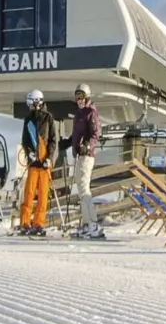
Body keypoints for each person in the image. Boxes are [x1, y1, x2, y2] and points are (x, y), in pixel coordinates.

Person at [65, 83, 104, 239]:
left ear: (87, 97)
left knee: (84, 189)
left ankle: (93, 223)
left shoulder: (90, 112)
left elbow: (95, 134)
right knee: (81, 191)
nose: (79, 100)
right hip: (79, 155)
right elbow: (76, 134)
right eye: (77, 97)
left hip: (86, 156)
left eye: (81, 97)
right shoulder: (79, 113)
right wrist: (68, 143)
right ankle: (87, 224)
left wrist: (87, 146)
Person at [18, 89, 57, 236]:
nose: (30, 107)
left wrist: (49, 158)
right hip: (33, 164)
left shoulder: (48, 118)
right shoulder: (28, 119)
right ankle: (24, 223)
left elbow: (53, 140)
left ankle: (39, 224)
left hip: (45, 163)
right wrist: (30, 153)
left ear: (37, 102)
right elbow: (25, 140)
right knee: (29, 194)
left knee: (43, 195)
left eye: (31, 104)